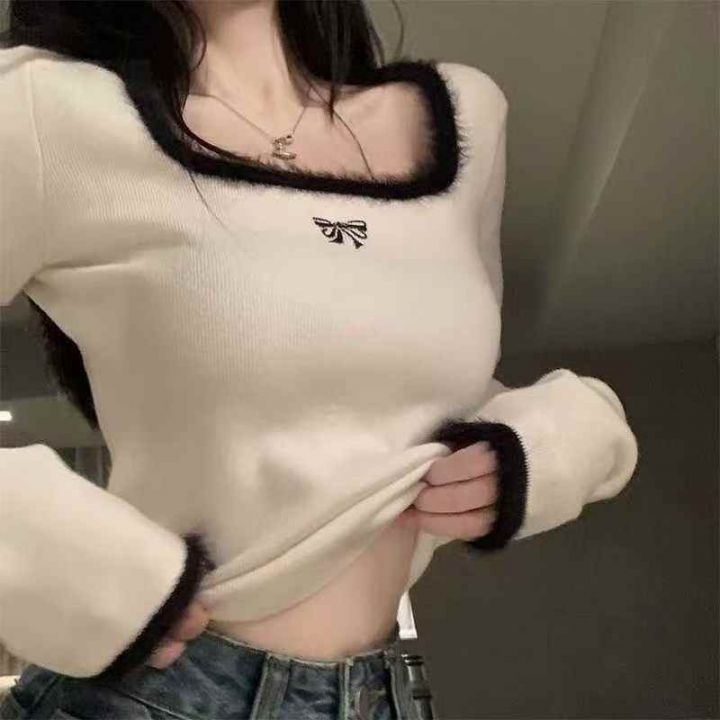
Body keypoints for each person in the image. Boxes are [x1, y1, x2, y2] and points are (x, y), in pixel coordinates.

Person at [0, 0, 640, 718]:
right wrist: (41, 553)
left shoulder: (465, 116)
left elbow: (432, 392)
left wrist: (565, 437)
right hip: (155, 692)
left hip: (382, 692)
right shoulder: (43, 109)